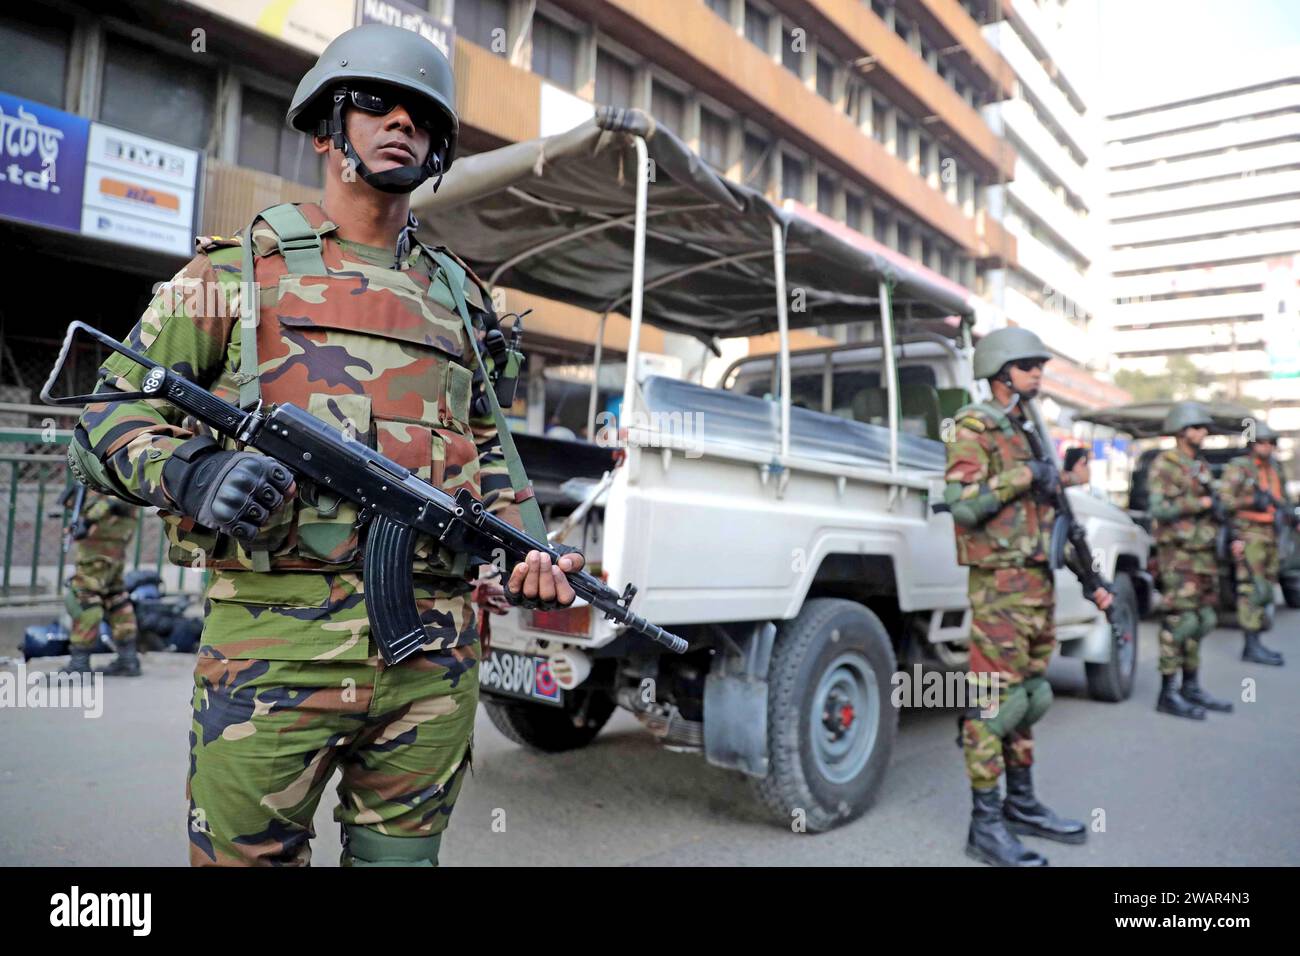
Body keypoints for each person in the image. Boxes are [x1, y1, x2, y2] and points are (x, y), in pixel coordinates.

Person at [70, 23, 582, 866]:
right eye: (376, 103)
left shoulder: (463, 302)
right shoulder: (234, 274)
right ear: (324, 127)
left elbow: (492, 458)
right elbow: (106, 414)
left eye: (422, 115)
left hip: (434, 655)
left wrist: (531, 553)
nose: (402, 123)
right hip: (272, 652)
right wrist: (192, 471)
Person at [944, 326, 1112, 867]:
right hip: (999, 588)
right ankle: (984, 825)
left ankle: (1019, 804)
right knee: (992, 705)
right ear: (999, 370)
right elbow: (964, 504)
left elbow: (1041, 511)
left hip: (1035, 584)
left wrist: (1056, 477)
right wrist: (1025, 474)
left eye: (1040, 365)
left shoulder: (1024, 427)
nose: (1038, 373)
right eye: (1028, 365)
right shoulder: (974, 425)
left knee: (1031, 696)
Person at [1146, 401, 1236, 718]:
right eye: (1198, 428)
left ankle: (1190, 685)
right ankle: (1167, 692)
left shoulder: (1200, 465)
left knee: (1200, 621)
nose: (1204, 433)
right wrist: (1201, 502)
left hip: (1203, 555)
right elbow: (1158, 509)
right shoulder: (1165, 465)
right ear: (1183, 430)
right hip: (1179, 556)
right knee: (1178, 623)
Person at [1221, 422, 1289, 666]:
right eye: (1262, 442)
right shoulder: (1241, 468)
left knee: (1266, 590)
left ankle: (1257, 641)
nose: (1267, 447)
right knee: (1251, 589)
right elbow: (1225, 501)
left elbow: (1284, 502)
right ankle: (1250, 644)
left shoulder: (1274, 469)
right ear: (1252, 444)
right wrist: (1252, 500)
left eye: (1270, 443)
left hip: (1271, 533)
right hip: (1249, 534)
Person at [60, 488, 142, 677]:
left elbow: (111, 496)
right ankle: (128, 659)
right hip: (117, 530)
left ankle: (79, 664)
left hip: (102, 528)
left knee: (85, 595)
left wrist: (89, 520)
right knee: (115, 595)